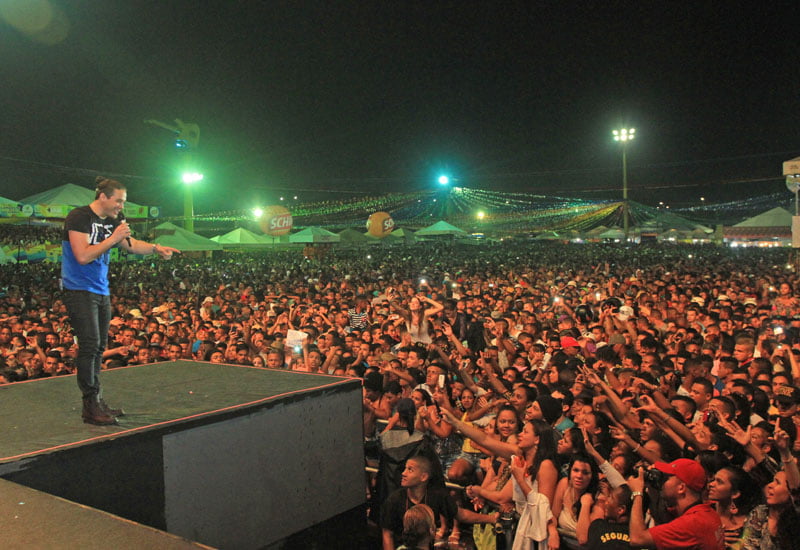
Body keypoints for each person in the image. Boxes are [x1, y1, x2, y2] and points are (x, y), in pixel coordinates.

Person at [61, 176, 179, 425]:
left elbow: (131, 244)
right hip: (78, 289)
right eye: (119, 201)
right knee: (90, 345)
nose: (121, 207)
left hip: (101, 290)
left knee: (100, 346)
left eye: (123, 202)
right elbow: (82, 256)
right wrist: (113, 238)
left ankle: (98, 400)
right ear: (103, 196)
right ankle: (89, 405)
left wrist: (156, 248)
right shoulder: (79, 217)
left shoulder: (114, 221)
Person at [628, 458, 725, 549]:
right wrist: (653, 488)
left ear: (681, 488)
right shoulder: (706, 513)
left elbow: (637, 539)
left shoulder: (693, 523)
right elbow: (661, 520)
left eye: (666, 478)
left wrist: (637, 493)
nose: (662, 482)